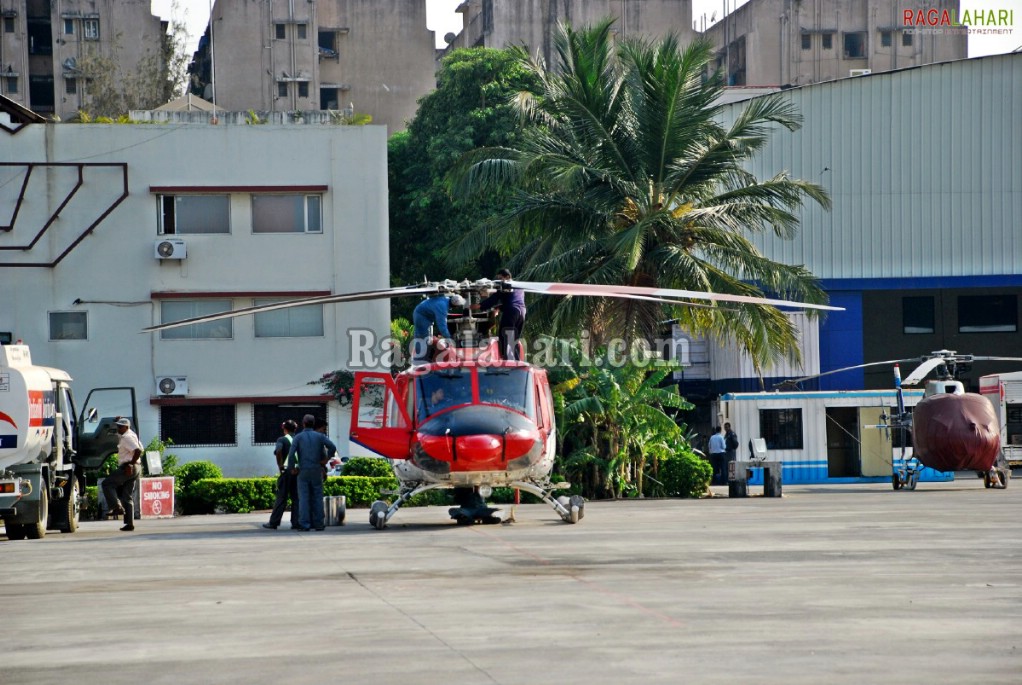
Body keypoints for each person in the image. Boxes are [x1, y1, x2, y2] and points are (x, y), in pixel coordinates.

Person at [287, 414, 337, 531]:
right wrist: (325, 460)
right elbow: (332, 447)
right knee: (317, 497)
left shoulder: (298, 437)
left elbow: (291, 454)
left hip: (303, 470)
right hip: (317, 469)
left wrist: (292, 468)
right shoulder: (320, 436)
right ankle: (319, 524)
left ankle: (304, 524)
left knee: (303, 498)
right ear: (313, 424)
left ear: (303, 424)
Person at [471, 268, 526, 360]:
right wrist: (499, 308)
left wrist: (480, 306)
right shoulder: (518, 287)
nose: (499, 281)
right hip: (522, 313)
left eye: (500, 278)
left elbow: (494, 299)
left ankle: (509, 361)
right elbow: (512, 301)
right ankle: (517, 361)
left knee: (505, 335)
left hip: (511, 312)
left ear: (507, 277)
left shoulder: (505, 286)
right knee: (514, 338)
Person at [101, 417, 142, 532]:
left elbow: (138, 450)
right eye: (117, 426)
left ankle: (116, 507)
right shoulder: (130, 434)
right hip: (136, 467)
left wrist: (130, 464)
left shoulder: (128, 437)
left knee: (107, 484)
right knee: (127, 496)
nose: (118, 428)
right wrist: (120, 419)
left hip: (129, 466)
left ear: (126, 427)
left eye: (120, 426)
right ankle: (129, 524)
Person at [263, 420, 299, 530]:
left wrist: (280, 466)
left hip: (287, 471)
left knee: (281, 497)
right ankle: (296, 522)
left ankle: (274, 523)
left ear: (285, 429)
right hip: (298, 471)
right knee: (296, 498)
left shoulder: (282, 439)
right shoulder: (299, 439)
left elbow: (278, 451)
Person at [411, 293, 464, 364]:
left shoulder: (446, 300)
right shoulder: (442, 307)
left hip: (427, 317)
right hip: (421, 316)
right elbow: (442, 326)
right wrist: (449, 338)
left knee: (429, 340)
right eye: (458, 306)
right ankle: (419, 362)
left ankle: (426, 359)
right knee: (423, 338)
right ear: (455, 305)